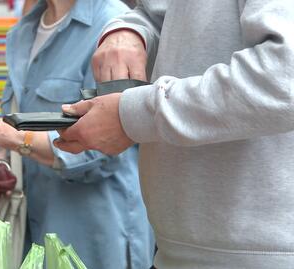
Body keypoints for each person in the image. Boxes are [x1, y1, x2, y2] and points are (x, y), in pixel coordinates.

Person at [54, 0, 294, 268]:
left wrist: (133, 115)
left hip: (258, 255)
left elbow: (284, 78)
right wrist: (129, 31)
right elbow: (159, 14)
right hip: (177, 249)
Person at [0, 0, 155, 268]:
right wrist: (2, 164)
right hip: (35, 232)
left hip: (94, 239)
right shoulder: (25, 31)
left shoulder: (114, 30)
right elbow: (18, 115)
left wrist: (7, 136)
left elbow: (102, 149)